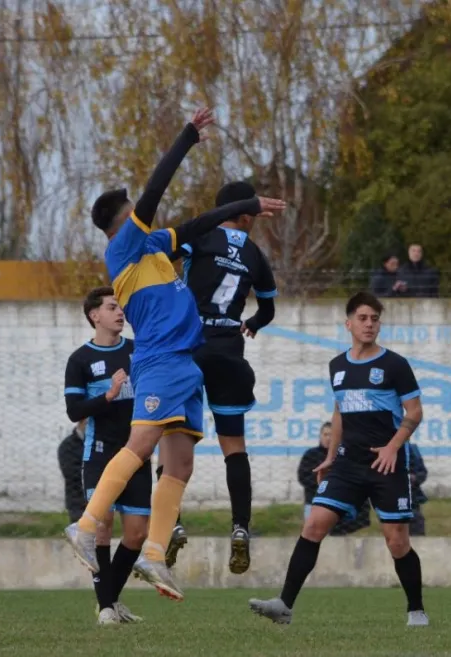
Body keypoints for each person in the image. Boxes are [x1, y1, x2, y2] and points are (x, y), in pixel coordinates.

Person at [63, 107, 286, 602]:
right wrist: (187, 137)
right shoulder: (124, 248)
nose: (139, 208)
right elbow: (156, 191)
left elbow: (198, 222)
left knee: (180, 465)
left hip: (187, 362)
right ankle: (86, 523)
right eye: (130, 206)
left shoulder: (157, 246)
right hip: (160, 359)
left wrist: (245, 205)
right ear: (119, 220)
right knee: (141, 446)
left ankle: (155, 554)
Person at [249, 291, 428, 627]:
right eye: (363, 318)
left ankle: (416, 609)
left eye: (375, 319)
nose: (370, 324)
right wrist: (331, 455)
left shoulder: (394, 364)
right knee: (314, 524)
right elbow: (339, 411)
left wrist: (392, 447)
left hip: (386, 465)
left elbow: (414, 412)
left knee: (397, 541)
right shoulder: (338, 365)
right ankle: (284, 605)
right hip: (347, 465)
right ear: (349, 323)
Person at [160, 180, 279, 574]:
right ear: (247, 215)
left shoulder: (202, 237)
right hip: (229, 351)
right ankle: (241, 528)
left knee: (172, 440)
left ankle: (171, 523)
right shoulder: (255, 255)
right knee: (234, 446)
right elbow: (267, 310)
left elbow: (165, 256)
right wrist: (253, 324)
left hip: (191, 347)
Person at [64, 287, 147, 625]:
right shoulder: (80, 359)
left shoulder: (137, 351)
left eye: (121, 307)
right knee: (102, 527)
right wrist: (109, 395)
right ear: (94, 315)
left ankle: (109, 599)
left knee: (137, 533)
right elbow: (73, 411)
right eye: (112, 307)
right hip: (99, 453)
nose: (120, 312)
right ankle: (108, 608)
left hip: (137, 452)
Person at [297, 422, 371, 536]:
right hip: (314, 500)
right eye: (325, 434)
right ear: (320, 435)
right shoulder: (311, 454)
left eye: (331, 435)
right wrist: (328, 484)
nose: (328, 438)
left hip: (340, 501)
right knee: (312, 534)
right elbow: (303, 477)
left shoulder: (345, 455)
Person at [57, 419, 88, 524]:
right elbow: (71, 474)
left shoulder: (97, 443)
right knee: (81, 535)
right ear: (81, 421)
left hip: (99, 499)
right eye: (88, 423)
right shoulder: (67, 446)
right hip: (78, 500)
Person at [407, 442, 429, 536]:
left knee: (417, 524)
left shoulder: (413, 449)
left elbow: (423, 472)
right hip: (393, 497)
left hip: (413, 496)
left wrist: (415, 478)